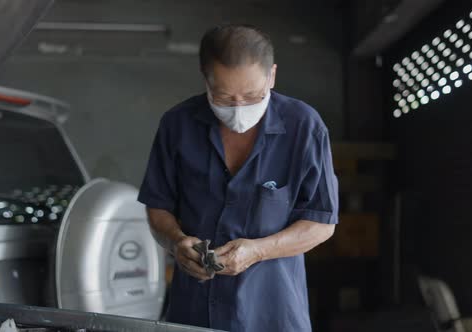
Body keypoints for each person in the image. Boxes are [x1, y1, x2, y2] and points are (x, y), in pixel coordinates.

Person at [138, 24, 338, 332]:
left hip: (274, 313)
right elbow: (158, 206)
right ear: (206, 78)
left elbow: (321, 222)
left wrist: (259, 250)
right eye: (224, 98)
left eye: (253, 95)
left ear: (271, 75)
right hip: (192, 312)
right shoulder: (177, 125)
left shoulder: (305, 128)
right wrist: (177, 242)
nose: (240, 109)